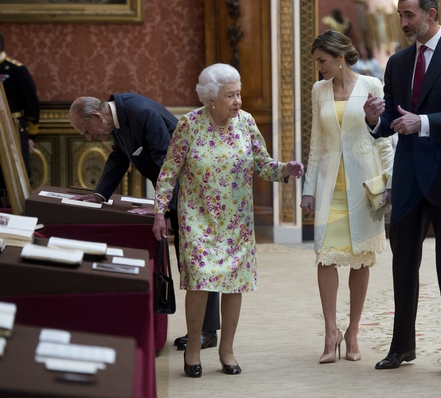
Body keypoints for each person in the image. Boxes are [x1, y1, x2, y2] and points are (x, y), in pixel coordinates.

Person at [152, 63, 304, 378]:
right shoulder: (189, 125)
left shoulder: (246, 123)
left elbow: (262, 164)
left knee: (234, 284)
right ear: (210, 98)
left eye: (239, 94)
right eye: (230, 95)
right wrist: (159, 212)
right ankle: (194, 347)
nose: (238, 101)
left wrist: (284, 169)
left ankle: (227, 350)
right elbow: (169, 172)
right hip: (197, 218)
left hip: (236, 221)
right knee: (199, 281)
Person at [363, 0, 441, 377]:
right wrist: (373, 119)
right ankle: (402, 347)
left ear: (431, 14)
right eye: (400, 15)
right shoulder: (397, 63)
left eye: (409, 15)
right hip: (410, 178)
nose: (403, 22)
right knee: (402, 267)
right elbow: (390, 122)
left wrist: (425, 122)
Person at [68, 93, 222, 351]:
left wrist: (160, 206)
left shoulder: (141, 113)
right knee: (188, 261)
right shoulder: (119, 119)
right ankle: (200, 330)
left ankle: (206, 332)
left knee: (197, 261)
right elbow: (119, 157)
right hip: (179, 190)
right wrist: (99, 194)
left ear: (96, 116)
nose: (89, 138)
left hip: (195, 189)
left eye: (86, 130)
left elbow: (167, 162)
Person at [301, 29, 394, 364]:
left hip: (363, 186)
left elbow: (384, 139)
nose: (319, 67)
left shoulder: (372, 85)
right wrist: (308, 189)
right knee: (325, 258)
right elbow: (316, 143)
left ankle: (353, 332)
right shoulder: (319, 90)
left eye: (322, 61)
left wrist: (389, 182)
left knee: (361, 259)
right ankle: (331, 332)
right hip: (330, 187)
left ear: (340, 58)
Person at [0, 32, 40, 204]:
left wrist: (30, 136)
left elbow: (31, 104)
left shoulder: (16, 70)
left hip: (13, 130)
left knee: (15, 174)